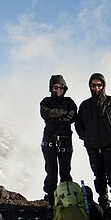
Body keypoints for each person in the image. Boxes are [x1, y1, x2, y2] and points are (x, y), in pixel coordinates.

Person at [75, 73, 111, 209]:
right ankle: (104, 205)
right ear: (90, 86)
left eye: (99, 85)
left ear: (103, 86)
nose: (96, 88)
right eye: (93, 85)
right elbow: (78, 123)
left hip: (110, 146)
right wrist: (85, 137)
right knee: (98, 176)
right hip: (92, 147)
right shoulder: (85, 105)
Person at [40, 75, 77, 206]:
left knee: (65, 171)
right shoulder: (46, 102)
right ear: (51, 88)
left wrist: (55, 117)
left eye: (61, 87)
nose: (58, 90)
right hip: (49, 140)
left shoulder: (69, 102)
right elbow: (46, 114)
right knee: (51, 170)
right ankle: (51, 200)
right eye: (55, 87)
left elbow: (72, 116)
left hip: (65, 140)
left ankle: (66, 200)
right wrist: (63, 114)